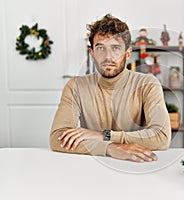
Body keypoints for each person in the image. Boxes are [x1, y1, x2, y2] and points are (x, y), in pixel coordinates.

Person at [50, 14, 171, 163]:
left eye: (116, 48)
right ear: (92, 54)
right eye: (100, 48)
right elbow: (58, 138)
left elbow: (161, 137)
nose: (108, 56)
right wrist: (110, 148)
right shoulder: (75, 86)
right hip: (91, 164)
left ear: (128, 53)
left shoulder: (147, 84)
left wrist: (103, 135)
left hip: (137, 164)